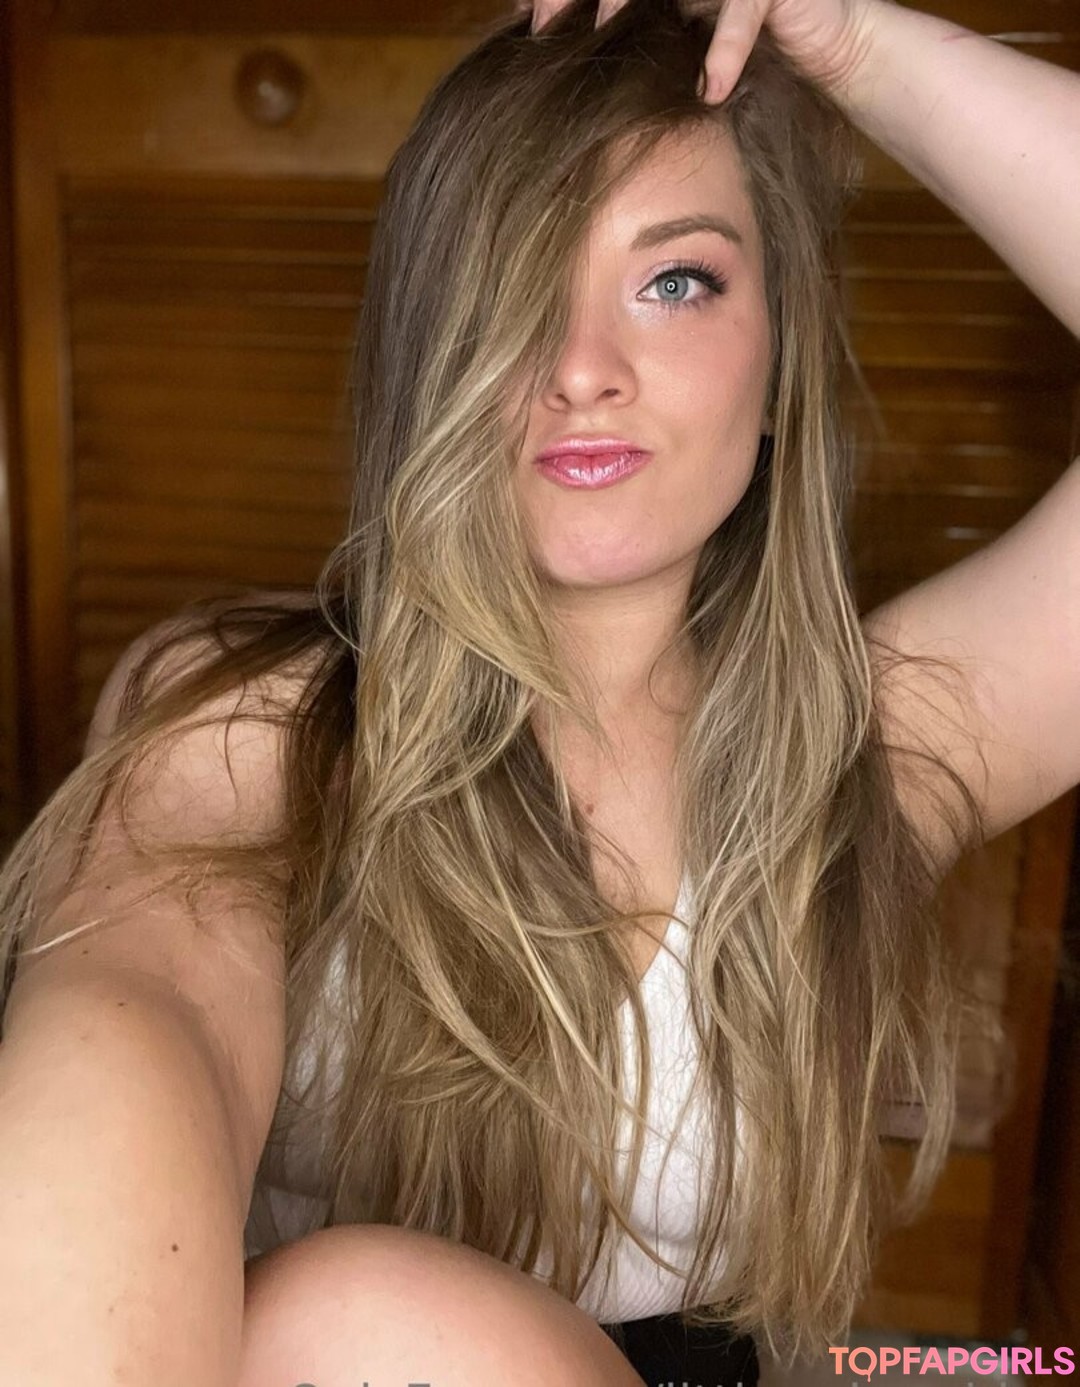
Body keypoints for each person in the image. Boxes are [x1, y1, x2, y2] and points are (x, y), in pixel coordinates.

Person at [0, 0, 1077, 1382]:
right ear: (425, 352)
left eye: (674, 280)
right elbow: (125, 1033)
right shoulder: (251, 725)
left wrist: (857, 40)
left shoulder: (871, 744)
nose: (579, 370)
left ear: (778, 366)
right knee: (345, 1318)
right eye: (513, 283)